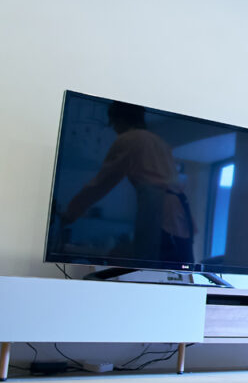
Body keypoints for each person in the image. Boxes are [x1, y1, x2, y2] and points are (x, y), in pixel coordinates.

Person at [61, 101, 195, 263]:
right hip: (180, 209)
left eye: (113, 122)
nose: (114, 128)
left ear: (120, 119)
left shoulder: (130, 139)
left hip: (157, 207)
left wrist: (70, 213)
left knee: (147, 265)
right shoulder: (159, 141)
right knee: (173, 264)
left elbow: (101, 183)